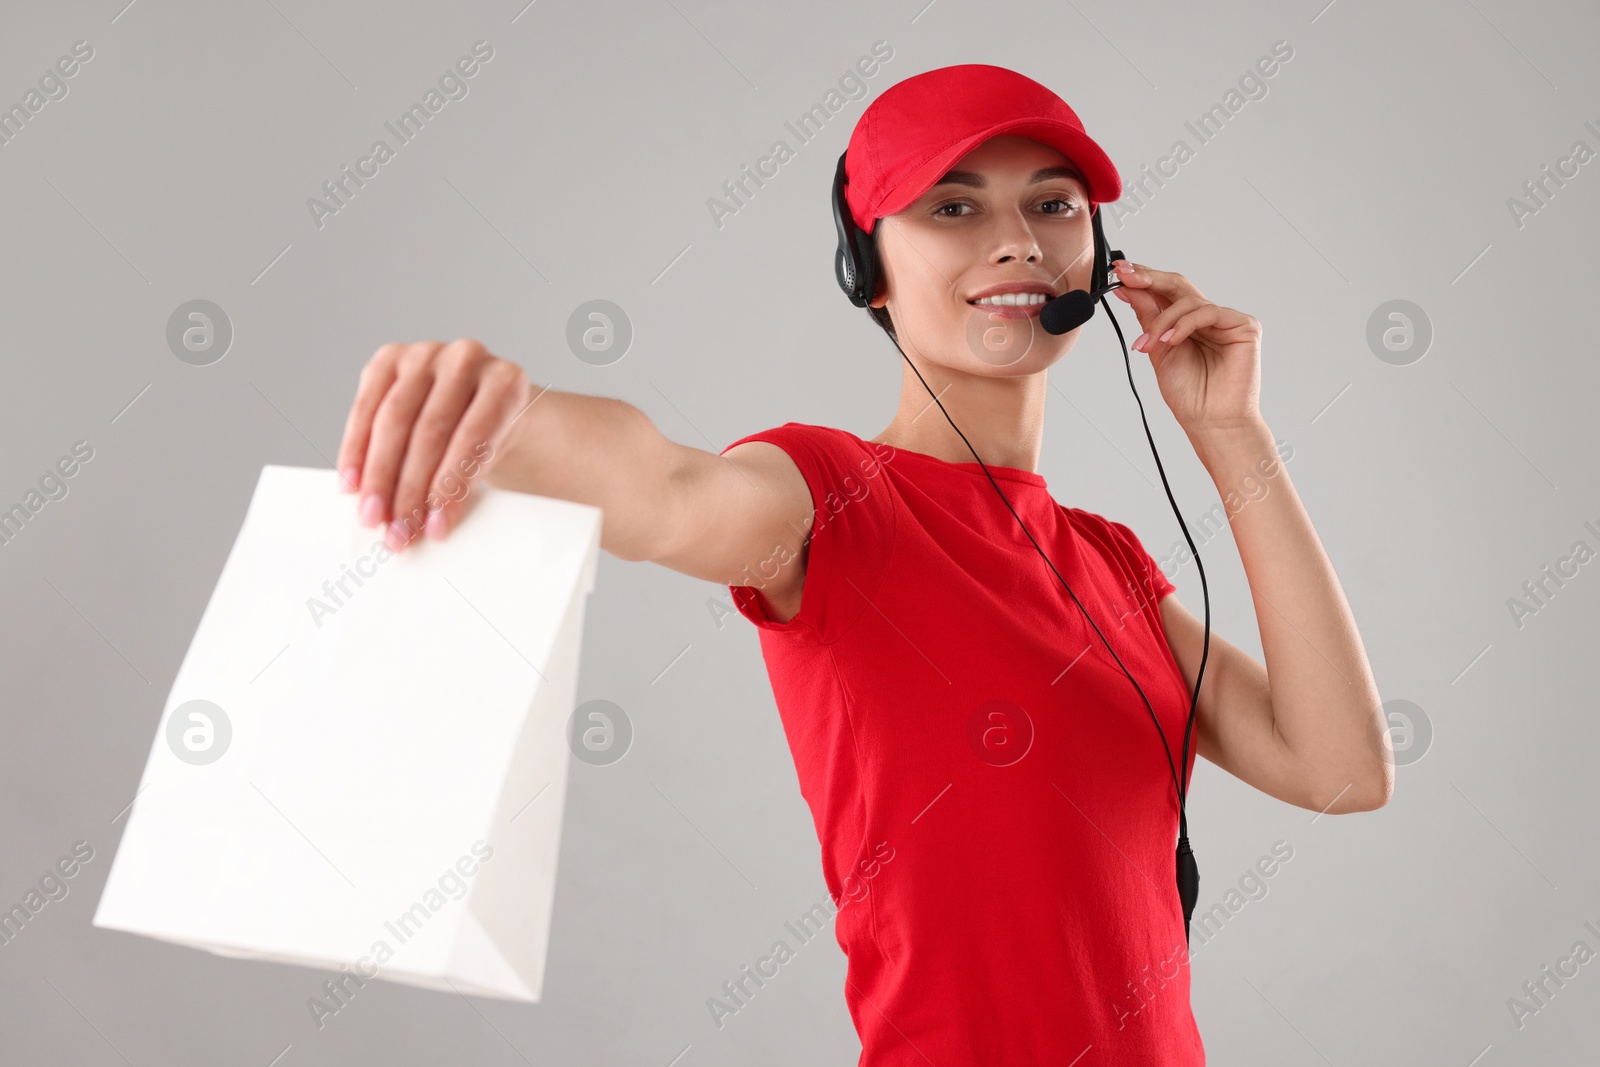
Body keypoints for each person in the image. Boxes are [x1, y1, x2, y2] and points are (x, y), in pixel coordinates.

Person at [335, 62, 1390, 1067]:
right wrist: (504, 413)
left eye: (1053, 204)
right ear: (865, 264)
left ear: (1102, 254)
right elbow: (662, 487)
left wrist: (1232, 436)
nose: (1016, 240)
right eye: (953, 207)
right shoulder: (828, 493)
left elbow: (1340, 767)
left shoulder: (1107, 559)